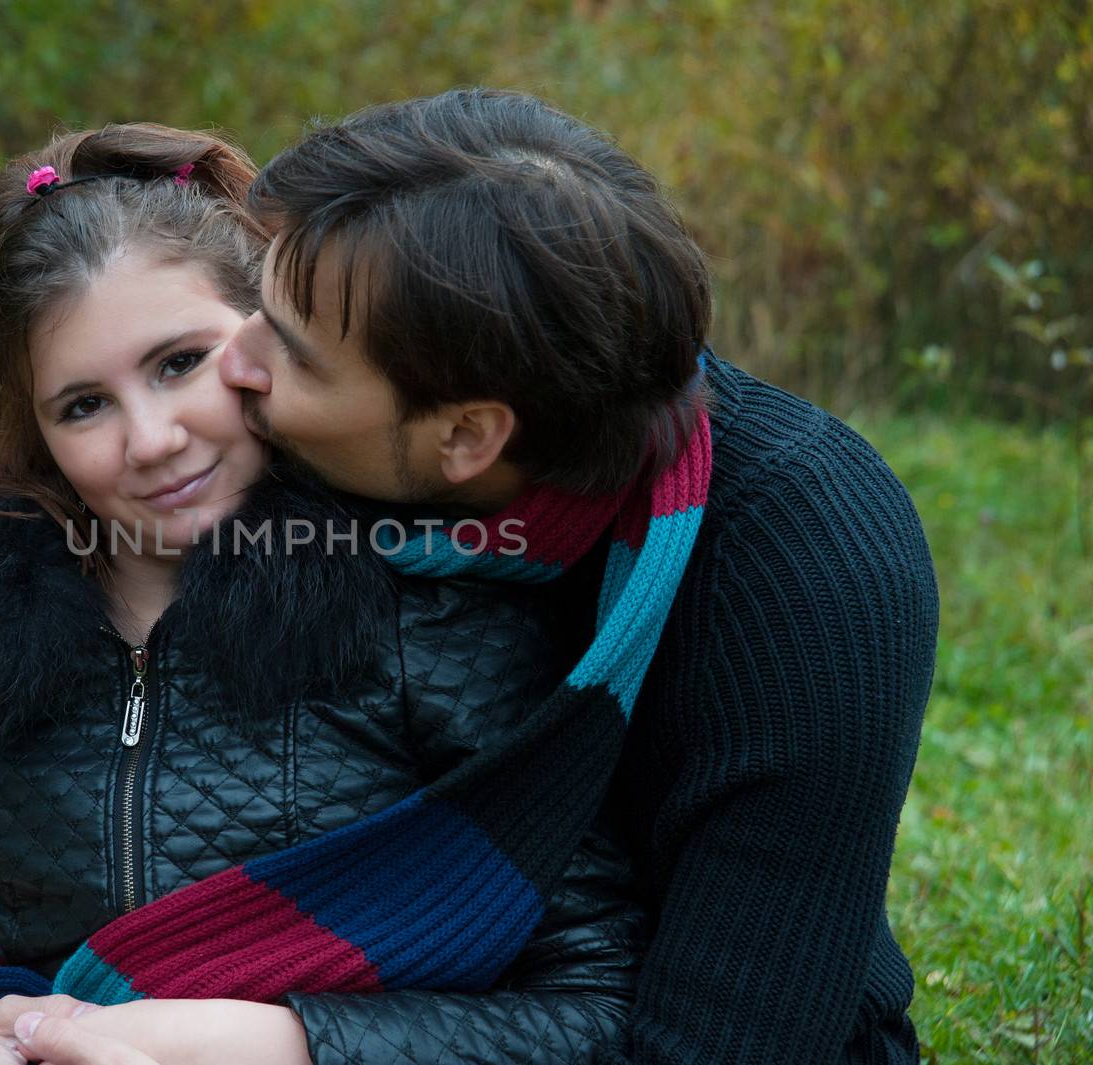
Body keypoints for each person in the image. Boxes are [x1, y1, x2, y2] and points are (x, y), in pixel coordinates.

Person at [0, 122, 650, 1065]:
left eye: (178, 362)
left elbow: (602, 1008)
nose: (150, 439)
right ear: (35, 430)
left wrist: (285, 1042)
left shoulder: (429, 606)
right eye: (83, 404)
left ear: (264, 342)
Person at [216, 88, 942, 1064]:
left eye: (289, 355)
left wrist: (296, 1045)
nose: (231, 360)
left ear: (467, 435)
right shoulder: (286, 455)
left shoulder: (802, 560)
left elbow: (726, 1043)